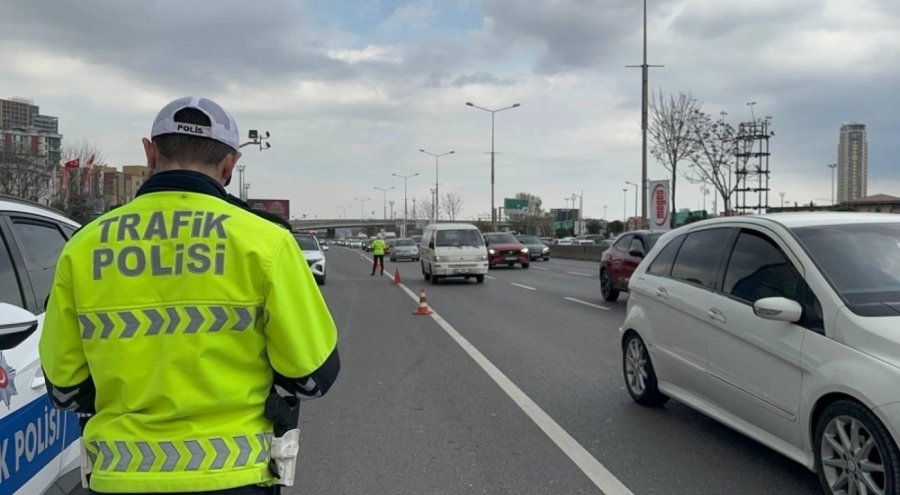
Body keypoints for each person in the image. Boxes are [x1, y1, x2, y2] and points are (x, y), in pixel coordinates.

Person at [38, 96, 340, 495]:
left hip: (121, 478)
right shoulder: (266, 242)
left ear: (150, 152)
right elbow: (313, 377)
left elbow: (64, 387)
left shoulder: (84, 246)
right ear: (230, 164)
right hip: (235, 476)